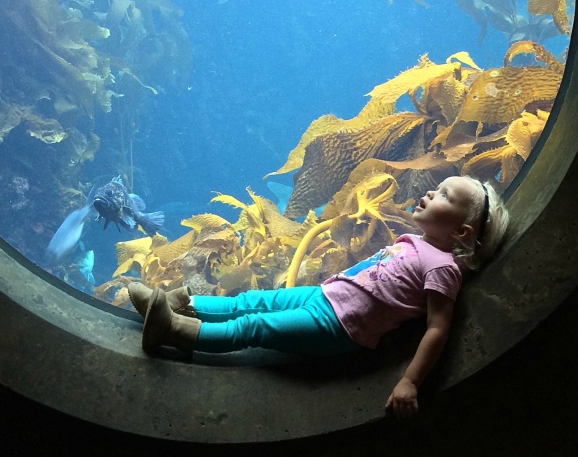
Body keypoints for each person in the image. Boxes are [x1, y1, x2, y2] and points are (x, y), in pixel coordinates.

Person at [127, 174, 509, 418]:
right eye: (438, 187)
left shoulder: (444, 268)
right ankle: (179, 303)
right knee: (252, 301)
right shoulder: (414, 242)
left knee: (254, 326)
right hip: (325, 296)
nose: (430, 191)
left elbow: (438, 328)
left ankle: (174, 331)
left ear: (461, 232)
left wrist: (410, 380)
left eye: (444, 195)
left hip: (338, 326)